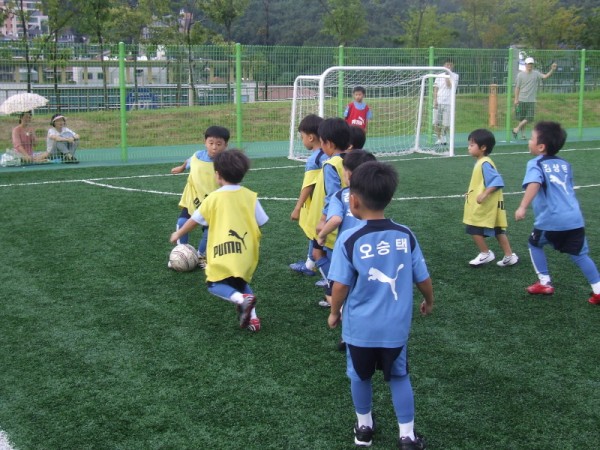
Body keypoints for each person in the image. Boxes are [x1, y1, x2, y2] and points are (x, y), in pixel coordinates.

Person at [327, 161, 434, 449]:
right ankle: (407, 436)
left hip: (359, 328)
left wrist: (334, 312)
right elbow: (423, 277)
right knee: (399, 376)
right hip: (395, 329)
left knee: (360, 376)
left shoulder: (349, 238)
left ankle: (364, 429)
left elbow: (340, 285)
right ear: (389, 197)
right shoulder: (405, 235)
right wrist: (429, 300)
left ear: (353, 201)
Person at [170, 149, 269, 331]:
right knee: (240, 282)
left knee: (214, 283)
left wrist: (178, 234)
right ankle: (253, 319)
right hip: (246, 250)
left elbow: (194, 220)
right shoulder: (250, 196)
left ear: (217, 175)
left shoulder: (213, 198)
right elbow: (262, 221)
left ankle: (240, 300)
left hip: (222, 250)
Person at [515, 121, 600, 305]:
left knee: (534, 243)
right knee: (580, 255)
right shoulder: (565, 164)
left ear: (541, 147)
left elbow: (534, 183)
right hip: (575, 218)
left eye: (531, 138)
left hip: (552, 219)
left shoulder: (535, 163)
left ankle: (544, 282)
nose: (529, 141)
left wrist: (522, 206)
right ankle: (598, 290)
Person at [302, 118, 351, 308]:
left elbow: (333, 196)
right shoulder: (355, 158)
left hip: (335, 222)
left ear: (329, 143)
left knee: (322, 255)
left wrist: (323, 219)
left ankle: (337, 296)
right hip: (353, 219)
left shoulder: (331, 164)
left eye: (322, 143)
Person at [170, 125, 230, 269]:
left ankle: (201, 256)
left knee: (209, 232)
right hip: (193, 199)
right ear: (205, 142)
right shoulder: (197, 156)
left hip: (213, 204)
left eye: (219, 144)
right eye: (211, 143)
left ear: (225, 145)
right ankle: (181, 253)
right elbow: (189, 161)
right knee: (182, 222)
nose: (214, 147)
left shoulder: (226, 163)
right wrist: (181, 168)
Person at [463, 129, 519, 267]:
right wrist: (471, 193)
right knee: (498, 230)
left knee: (473, 228)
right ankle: (509, 256)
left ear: (483, 147)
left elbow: (497, 181)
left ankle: (485, 253)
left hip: (486, 206)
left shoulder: (485, 163)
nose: (469, 147)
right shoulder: (482, 162)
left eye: (472, 145)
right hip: (489, 205)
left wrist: (484, 194)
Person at [289, 114, 326, 277]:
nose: (302, 140)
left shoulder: (315, 159)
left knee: (314, 232)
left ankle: (313, 266)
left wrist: (297, 207)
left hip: (318, 204)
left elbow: (308, 186)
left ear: (311, 137)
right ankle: (312, 263)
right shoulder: (329, 153)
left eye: (302, 137)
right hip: (330, 201)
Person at [512, 57, 557, 140]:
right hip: (521, 100)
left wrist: (552, 70)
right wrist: (516, 99)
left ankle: (516, 129)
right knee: (522, 118)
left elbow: (545, 76)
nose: (530, 65)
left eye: (531, 64)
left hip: (531, 100)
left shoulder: (536, 73)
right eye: (529, 64)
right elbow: (517, 88)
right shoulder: (520, 75)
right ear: (525, 64)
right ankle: (523, 135)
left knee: (529, 117)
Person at [433, 60, 459, 145]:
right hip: (438, 101)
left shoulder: (455, 76)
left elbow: (449, 85)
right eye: (447, 65)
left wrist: (447, 75)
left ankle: (443, 136)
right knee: (436, 122)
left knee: (446, 123)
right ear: (444, 65)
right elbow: (435, 89)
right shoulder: (439, 76)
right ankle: (439, 138)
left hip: (449, 103)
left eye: (450, 65)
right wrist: (435, 100)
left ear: (453, 66)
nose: (449, 66)